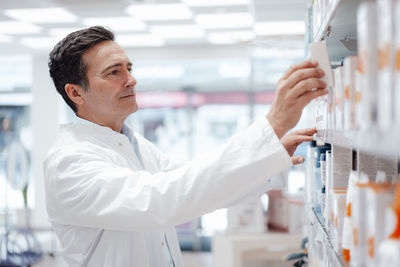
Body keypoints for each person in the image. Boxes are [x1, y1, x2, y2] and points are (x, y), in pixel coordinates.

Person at [44, 26, 327, 267]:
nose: (131, 80)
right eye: (114, 72)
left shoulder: (133, 144)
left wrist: (269, 156)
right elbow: (164, 200)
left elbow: (199, 187)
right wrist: (272, 125)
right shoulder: (69, 162)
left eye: (128, 68)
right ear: (75, 92)